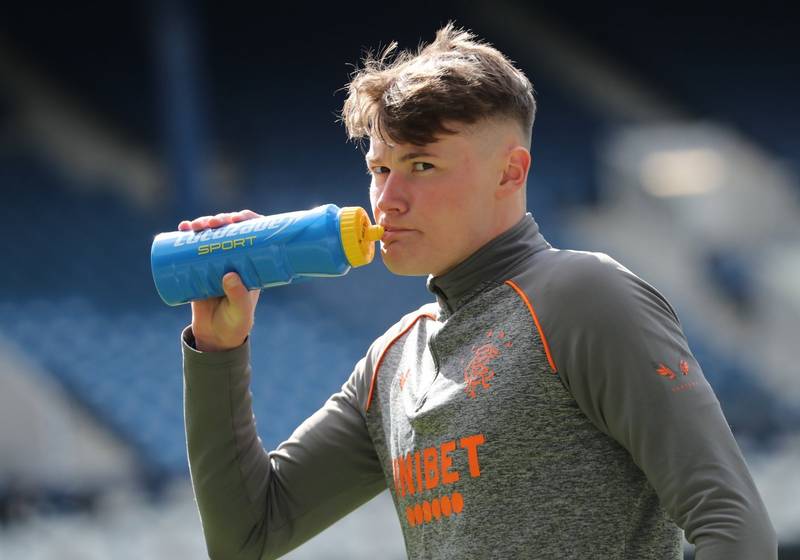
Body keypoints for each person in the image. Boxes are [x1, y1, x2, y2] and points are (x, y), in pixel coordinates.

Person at [177, 23, 777, 560]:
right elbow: (247, 536)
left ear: (510, 172)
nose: (387, 200)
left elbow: (733, 526)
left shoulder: (584, 295)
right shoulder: (390, 363)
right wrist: (219, 350)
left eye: (423, 166)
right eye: (380, 169)